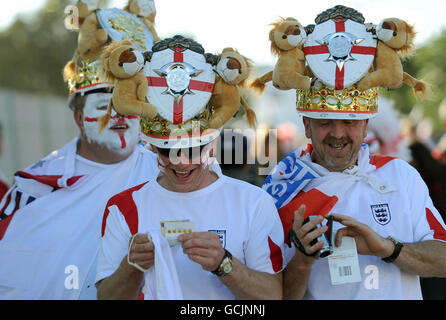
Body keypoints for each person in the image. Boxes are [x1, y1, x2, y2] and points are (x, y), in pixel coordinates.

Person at [263, 5, 446, 300]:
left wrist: (387, 248)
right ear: (307, 125)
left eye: (349, 122)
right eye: (325, 123)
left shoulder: (400, 175)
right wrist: (302, 260)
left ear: (365, 126)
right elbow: (269, 296)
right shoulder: (282, 186)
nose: (338, 134)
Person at [95, 35, 285, 300]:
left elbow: (273, 295)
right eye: (167, 150)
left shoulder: (254, 203)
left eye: (193, 150)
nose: (180, 161)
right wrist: (132, 266)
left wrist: (224, 264)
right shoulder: (123, 207)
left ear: (212, 144)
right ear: (150, 146)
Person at [0, 61, 158, 300]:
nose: (117, 115)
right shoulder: (35, 187)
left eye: (126, 104)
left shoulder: (165, 172)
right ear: (79, 118)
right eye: (104, 106)